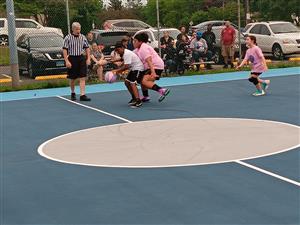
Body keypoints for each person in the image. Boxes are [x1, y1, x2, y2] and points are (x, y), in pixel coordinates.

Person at [133, 32, 170, 102]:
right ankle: (145, 96)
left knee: (144, 80)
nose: (133, 43)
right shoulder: (139, 49)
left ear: (140, 42)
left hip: (156, 66)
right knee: (142, 80)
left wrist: (153, 72)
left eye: (135, 41)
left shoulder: (143, 49)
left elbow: (149, 61)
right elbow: (131, 54)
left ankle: (161, 90)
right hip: (152, 66)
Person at [63, 22, 91, 101]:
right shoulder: (68, 38)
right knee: (72, 78)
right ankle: (72, 92)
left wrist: (88, 58)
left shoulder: (83, 37)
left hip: (81, 58)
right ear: (73, 29)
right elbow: (64, 49)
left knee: (82, 77)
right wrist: (67, 61)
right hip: (72, 58)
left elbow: (87, 48)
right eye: (77, 29)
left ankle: (82, 95)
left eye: (79, 29)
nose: (78, 31)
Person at [113, 42, 144, 108]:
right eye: (116, 51)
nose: (118, 52)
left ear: (122, 48)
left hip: (138, 69)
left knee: (132, 83)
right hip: (133, 69)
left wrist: (117, 71)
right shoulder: (124, 53)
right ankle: (134, 98)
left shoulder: (126, 53)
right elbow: (123, 60)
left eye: (118, 50)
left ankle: (138, 101)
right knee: (127, 82)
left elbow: (126, 66)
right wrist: (114, 61)